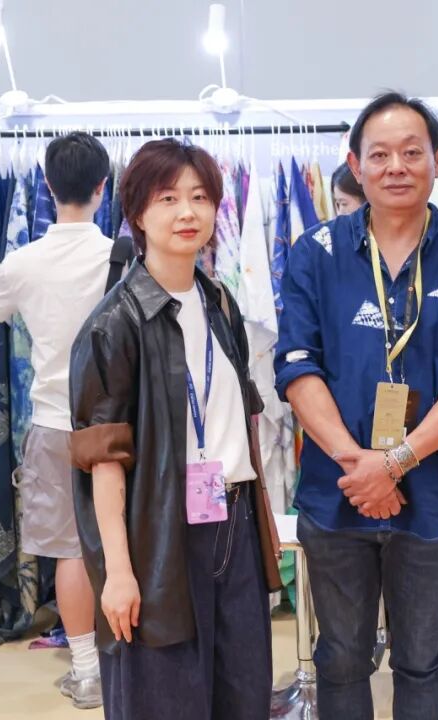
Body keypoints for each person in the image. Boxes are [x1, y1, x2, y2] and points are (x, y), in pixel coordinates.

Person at [275, 92, 438, 720]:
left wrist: (395, 463)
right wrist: (361, 466)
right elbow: (296, 367)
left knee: (424, 659)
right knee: (341, 657)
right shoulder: (316, 252)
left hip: (429, 499)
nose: (396, 166)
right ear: (356, 164)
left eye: (412, 152)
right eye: (379, 155)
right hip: (337, 493)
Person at [69, 139, 279, 720]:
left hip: (232, 521)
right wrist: (116, 572)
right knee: (164, 698)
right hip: (157, 533)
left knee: (243, 695)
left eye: (200, 197)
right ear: (138, 213)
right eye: (168, 198)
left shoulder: (219, 303)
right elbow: (103, 459)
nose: (188, 212)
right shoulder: (114, 324)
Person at [0, 131, 113, 709]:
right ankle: (130, 665)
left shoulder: (24, 261)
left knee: (72, 551)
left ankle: (87, 673)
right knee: (128, 543)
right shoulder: (125, 258)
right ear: (103, 186)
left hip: (56, 422)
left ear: (48, 186)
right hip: (121, 426)